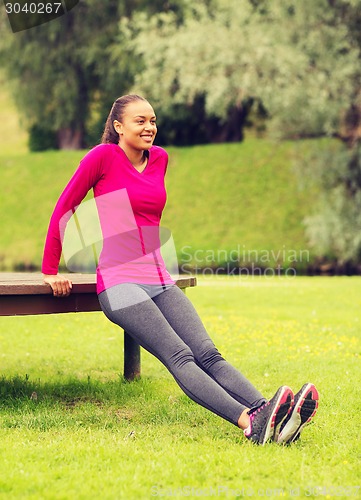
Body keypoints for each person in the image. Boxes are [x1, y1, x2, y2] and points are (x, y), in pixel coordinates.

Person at [42, 94, 319, 445]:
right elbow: (65, 206)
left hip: (159, 278)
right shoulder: (102, 158)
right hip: (119, 281)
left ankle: (271, 414)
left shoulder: (159, 158)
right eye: (140, 121)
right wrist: (50, 269)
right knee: (180, 356)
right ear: (118, 126)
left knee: (209, 354)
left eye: (153, 120)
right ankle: (250, 423)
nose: (150, 127)